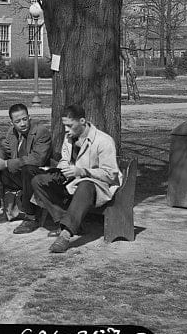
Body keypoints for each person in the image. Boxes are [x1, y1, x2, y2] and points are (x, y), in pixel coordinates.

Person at [30, 103, 121, 254]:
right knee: (38, 181)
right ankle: (66, 221)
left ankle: (65, 235)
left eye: (69, 125)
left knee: (85, 185)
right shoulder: (69, 138)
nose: (66, 130)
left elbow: (111, 174)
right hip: (72, 181)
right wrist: (62, 168)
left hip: (96, 186)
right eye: (64, 125)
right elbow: (65, 159)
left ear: (82, 121)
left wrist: (82, 171)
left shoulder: (103, 141)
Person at [0, 102, 53, 234]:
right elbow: (3, 149)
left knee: (28, 168)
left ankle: (31, 217)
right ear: (12, 123)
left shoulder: (41, 132)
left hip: (36, 177)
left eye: (24, 119)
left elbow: (37, 159)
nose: (22, 124)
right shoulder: (13, 132)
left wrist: (6, 164)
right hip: (18, 175)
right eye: (18, 121)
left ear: (29, 117)